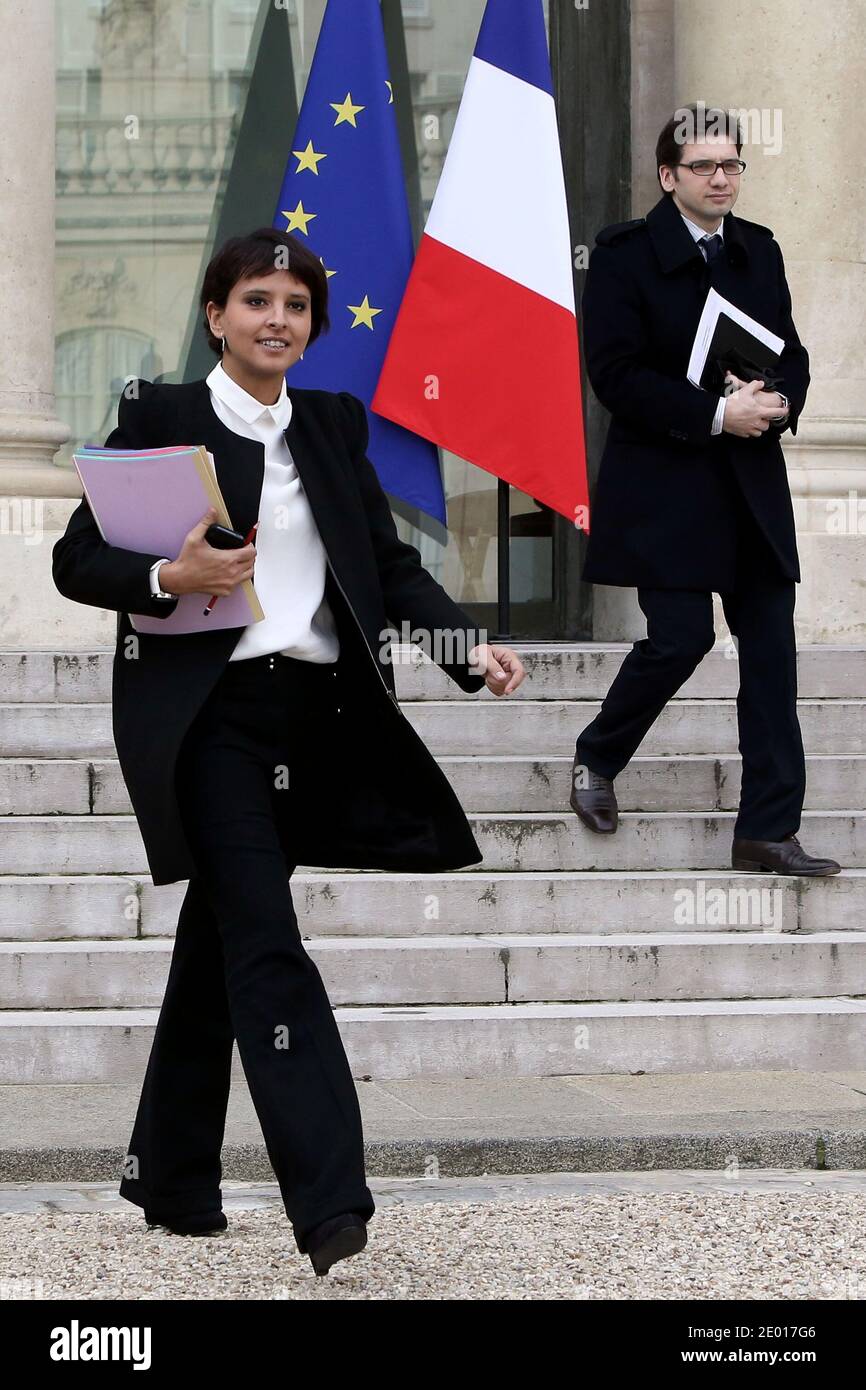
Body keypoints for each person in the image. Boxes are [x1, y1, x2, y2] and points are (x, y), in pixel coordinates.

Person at [52, 226, 526, 1275]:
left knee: (219, 948)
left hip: (316, 720)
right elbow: (78, 558)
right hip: (213, 719)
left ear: (311, 327)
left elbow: (386, 569)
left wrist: (466, 646)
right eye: (256, 299)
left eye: (295, 305)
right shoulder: (161, 415)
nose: (277, 319)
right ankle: (329, 1202)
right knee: (266, 945)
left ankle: (170, 1176)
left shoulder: (329, 424)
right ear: (216, 313)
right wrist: (172, 580)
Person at [570, 104, 839, 877]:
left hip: (750, 483)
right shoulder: (623, 254)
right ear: (668, 176)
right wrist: (718, 412)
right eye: (704, 167)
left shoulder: (760, 249)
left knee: (772, 655)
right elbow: (614, 376)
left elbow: (791, 353)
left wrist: (780, 402)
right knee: (681, 637)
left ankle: (767, 831)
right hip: (667, 484)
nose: (721, 179)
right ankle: (597, 755)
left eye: (732, 166)